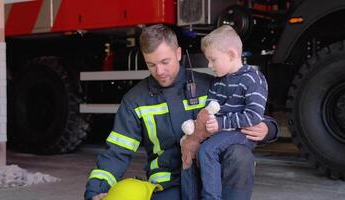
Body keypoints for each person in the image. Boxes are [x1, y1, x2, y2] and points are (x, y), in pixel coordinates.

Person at [84, 24, 278, 200]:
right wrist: (95, 192)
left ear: (178, 53)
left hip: (211, 181)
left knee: (239, 154)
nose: (159, 71)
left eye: (165, 61)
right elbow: (117, 150)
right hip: (168, 186)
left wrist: (268, 129)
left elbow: (249, 111)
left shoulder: (210, 85)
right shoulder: (135, 101)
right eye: (151, 64)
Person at [181, 25, 268, 200]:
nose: (209, 65)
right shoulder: (219, 81)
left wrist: (221, 123)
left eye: (213, 60)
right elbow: (209, 108)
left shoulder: (252, 79)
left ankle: (211, 197)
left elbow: (254, 116)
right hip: (222, 131)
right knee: (191, 149)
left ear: (231, 54)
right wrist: (199, 127)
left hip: (241, 132)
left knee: (207, 150)